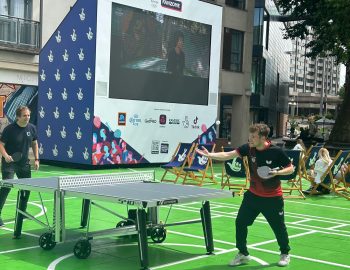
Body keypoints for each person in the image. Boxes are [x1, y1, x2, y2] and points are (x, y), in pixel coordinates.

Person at [196, 123, 294, 267]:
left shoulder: (276, 151)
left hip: (272, 197)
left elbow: (290, 168)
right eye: (250, 136)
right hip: (253, 195)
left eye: (253, 137)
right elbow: (229, 155)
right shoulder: (248, 148)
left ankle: (285, 253)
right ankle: (243, 254)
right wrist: (210, 155)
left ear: (263, 137)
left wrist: (278, 172)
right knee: (240, 222)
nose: (250, 139)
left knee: (278, 227)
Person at [0, 106, 39, 233]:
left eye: (28, 115)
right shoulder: (9, 129)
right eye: (24, 115)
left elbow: (34, 143)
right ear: (18, 117)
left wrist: (37, 159)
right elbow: (1, 144)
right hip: (9, 163)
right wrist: (5, 156)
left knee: (26, 188)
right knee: (6, 187)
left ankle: (22, 211)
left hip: (23, 163)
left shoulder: (32, 128)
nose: (27, 117)